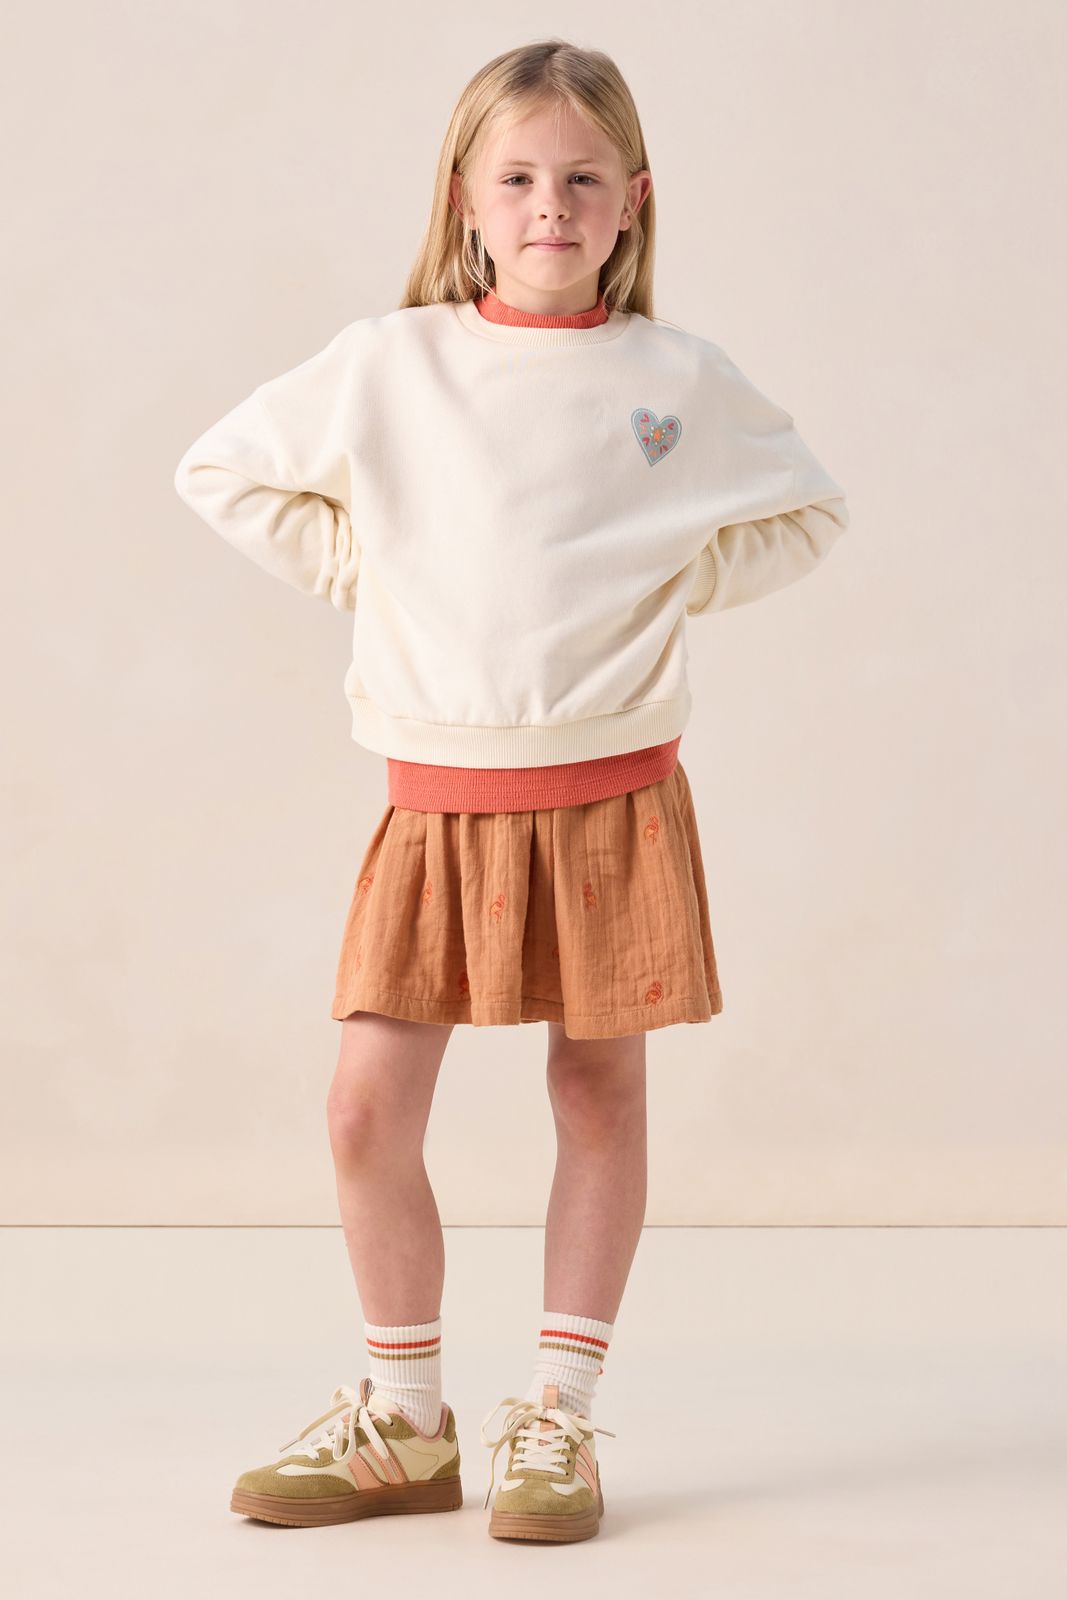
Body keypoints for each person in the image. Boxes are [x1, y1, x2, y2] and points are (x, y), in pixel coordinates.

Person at [173, 38, 849, 1545]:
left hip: (614, 794)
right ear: (467, 201)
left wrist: (673, 583)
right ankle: (406, 1420)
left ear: (633, 202)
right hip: (436, 795)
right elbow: (220, 471)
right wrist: (361, 570)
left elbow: (812, 512)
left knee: (596, 1094)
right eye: (521, 177)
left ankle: (558, 1414)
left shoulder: (676, 381)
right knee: (365, 1109)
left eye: (584, 178)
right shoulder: (391, 363)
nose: (553, 205)